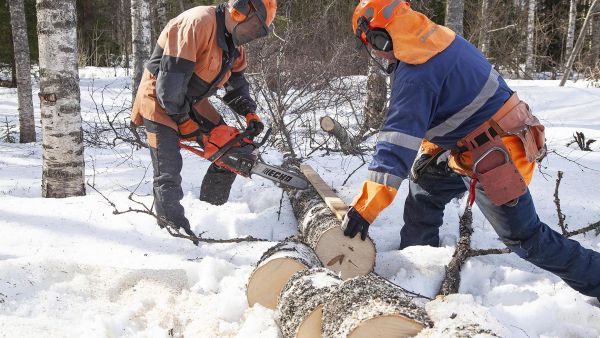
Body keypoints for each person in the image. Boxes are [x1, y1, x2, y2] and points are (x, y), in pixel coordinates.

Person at [342, 0, 600, 299]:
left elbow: (395, 146)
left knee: (526, 238)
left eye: (374, 46)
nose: (376, 53)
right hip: (485, 142)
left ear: (380, 37)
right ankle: (416, 265)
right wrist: (430, 150)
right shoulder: (440, 40)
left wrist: (364, 209)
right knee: (426, 186)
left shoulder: (415, 73)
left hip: (497, 156)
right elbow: (456, 104)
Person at [130, 0, 277, 237]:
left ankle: (212, 210)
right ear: (239, 12)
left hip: (191, 101)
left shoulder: (234, 44)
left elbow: (236, 83)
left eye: (256, 31)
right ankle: (173, 231)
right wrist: (184, 122)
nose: (251, 34)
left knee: (233, 150)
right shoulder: (197, 23)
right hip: (159, 99)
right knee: (168, 171)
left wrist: (249, 112)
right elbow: (169, 86)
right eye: (252, 27)